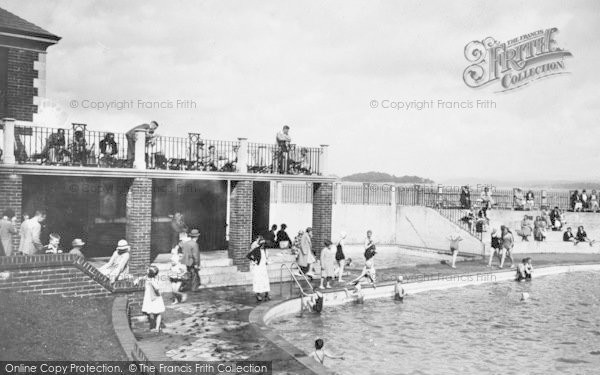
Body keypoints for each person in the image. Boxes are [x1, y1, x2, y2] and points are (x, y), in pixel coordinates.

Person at [135, 265, 165, 333]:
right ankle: (154, 326)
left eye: (148, 270)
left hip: (155, 298)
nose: (147, 270)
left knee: (157, 312)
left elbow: (157, 287)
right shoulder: (147, 277)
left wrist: (152, 283)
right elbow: (142, 277)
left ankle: (157, 327)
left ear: (151, 272)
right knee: (152, 312)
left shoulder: (152, 279)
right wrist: (137, 279)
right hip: (149, 298)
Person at [247, 236, 270, 302]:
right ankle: (258, 294)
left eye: (264, 245)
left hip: (263, 267)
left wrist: (267, 262)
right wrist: (254, 261)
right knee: (258, 280)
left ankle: (266, 293)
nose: (263, 246)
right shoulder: (256, 250)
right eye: (261, 245)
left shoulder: (265, 250)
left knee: (265, 280)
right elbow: (249, 256)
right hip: (258, 267)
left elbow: (266, 258)